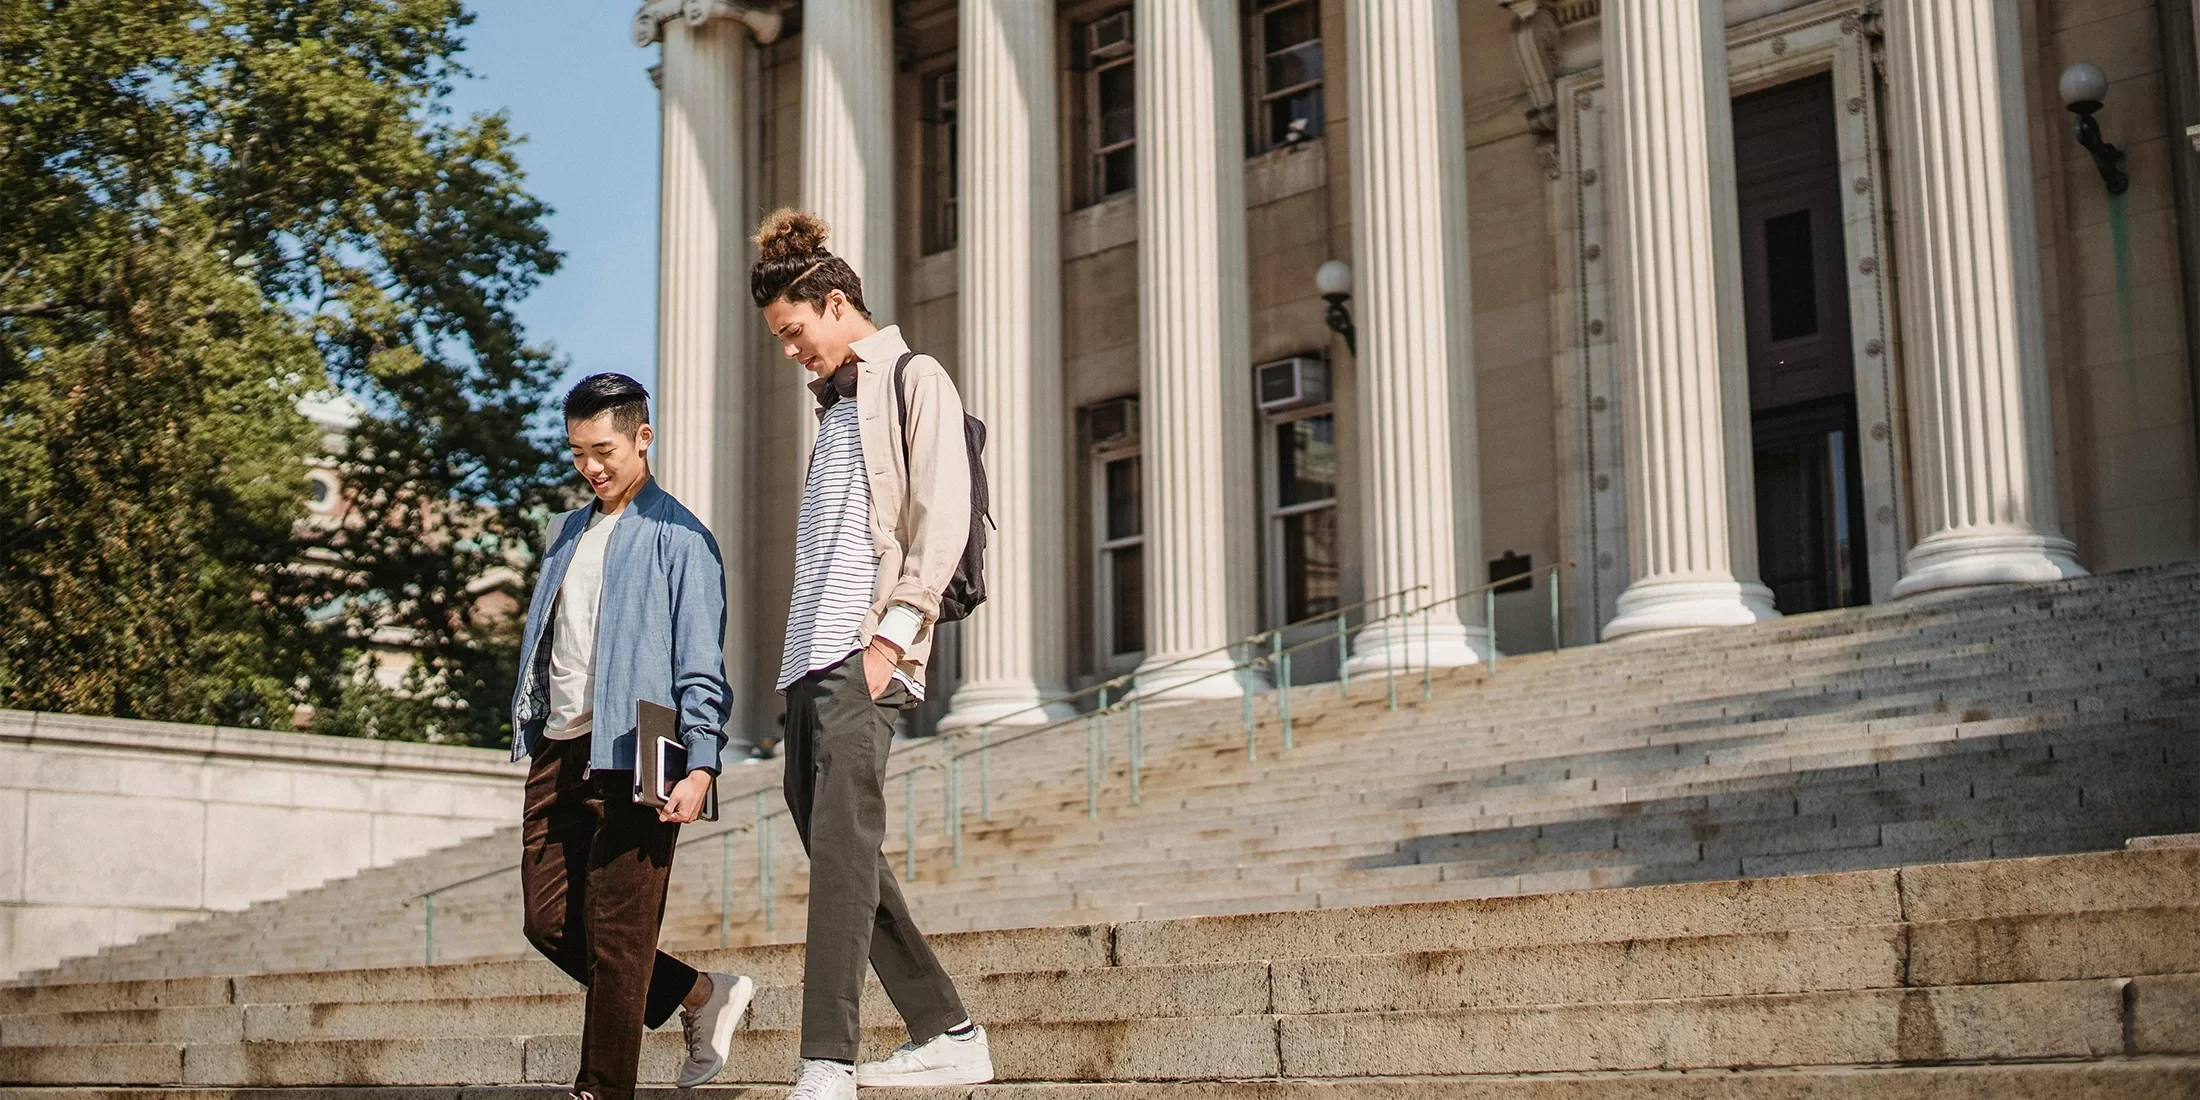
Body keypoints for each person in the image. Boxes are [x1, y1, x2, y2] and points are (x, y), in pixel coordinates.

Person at [752, 209, 995, 1099]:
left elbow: (944, 508)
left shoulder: (913, 378)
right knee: (837, 846)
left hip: (867, 651)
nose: (789, 352)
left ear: (838, 302)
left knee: (844, 845)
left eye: (794, 332)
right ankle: (948, 1028)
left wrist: (895, 633)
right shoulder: (837, 411)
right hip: (807, 660)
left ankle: (826, 1061)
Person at [509, 374, 756, 1100]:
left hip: (638, 751)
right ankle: (699, 993)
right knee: (547, 920)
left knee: (619, 939)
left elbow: (700, 664)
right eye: (579, 452)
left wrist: (703, 764)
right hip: (560, 746)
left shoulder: (682, 539)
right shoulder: (563, 534)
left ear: (643, 439)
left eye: (605, 449)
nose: (591, 466)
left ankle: (601, 1089)